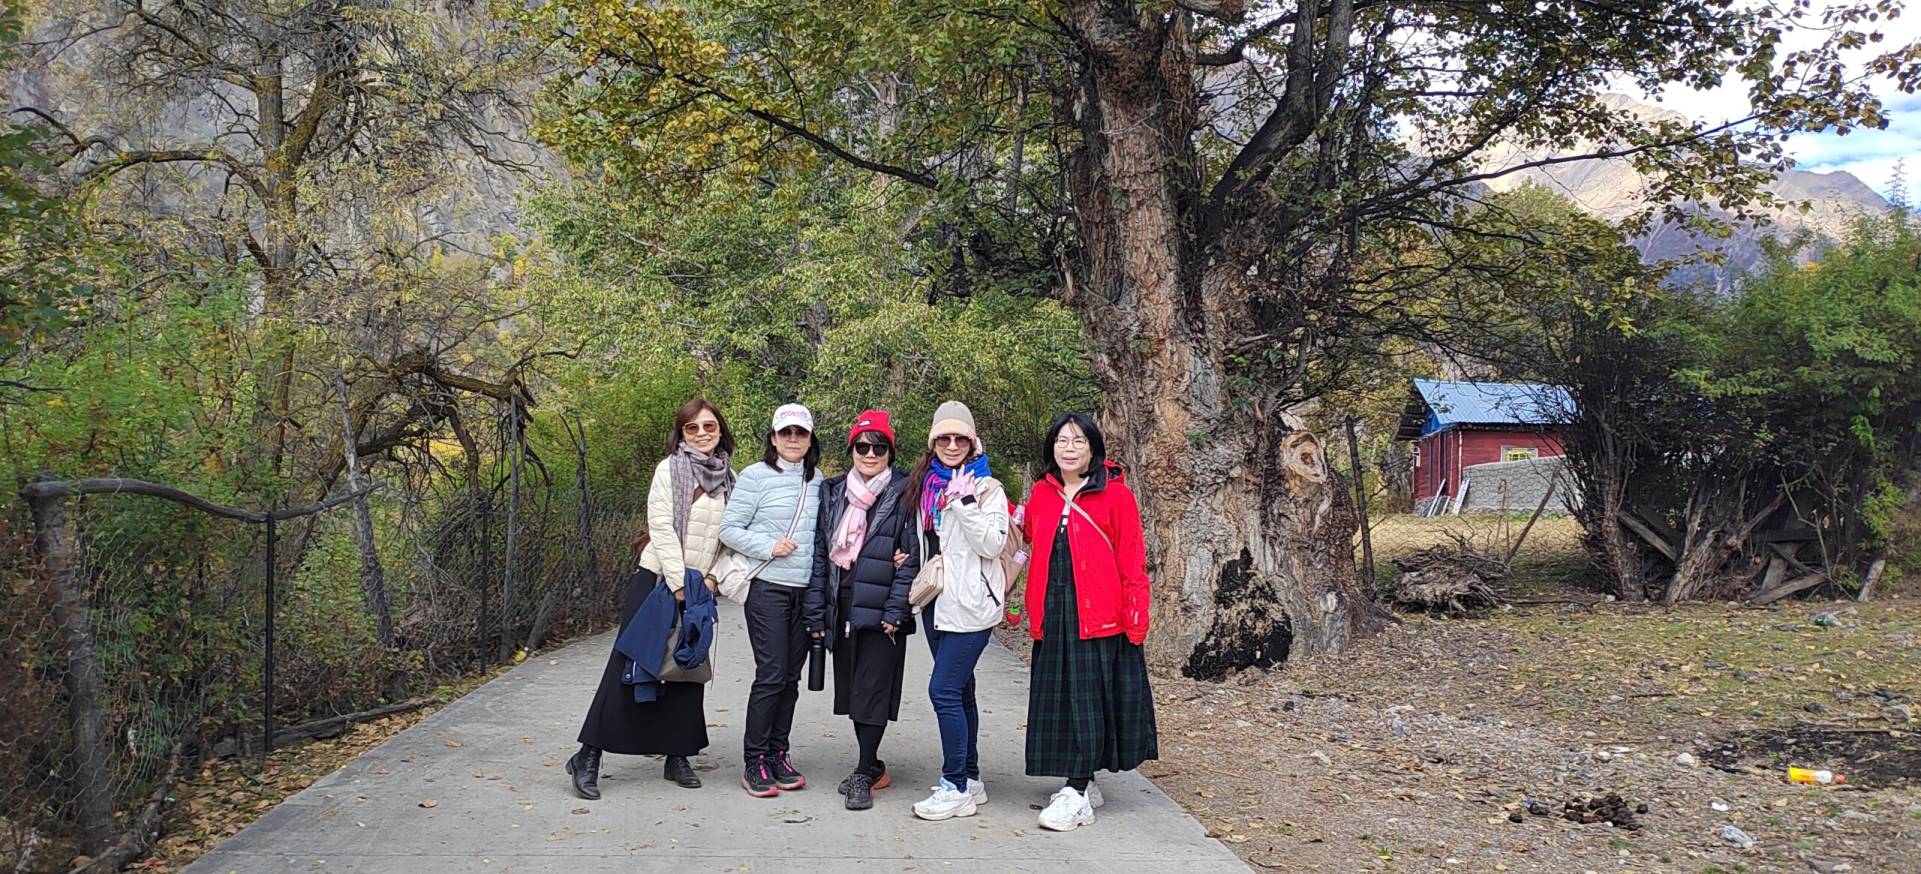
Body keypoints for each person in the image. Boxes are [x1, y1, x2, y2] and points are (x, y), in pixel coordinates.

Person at [569, 398, 737, 798]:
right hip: (658, 580)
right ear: (681, 434)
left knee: (686, 667)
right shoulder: (670, 469)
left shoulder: (732, 478)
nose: (701, 434)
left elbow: (733, 536)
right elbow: (660, 526)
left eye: (709, 426)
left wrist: (712, 579)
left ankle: (677, 754)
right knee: (630, 665)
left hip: (700, 586)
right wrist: (678, 583)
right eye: (692, 428)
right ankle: (587, 755)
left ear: (720, 430)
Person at [1019, 412, 1158, 832]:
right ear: (1052, 448)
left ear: (1093, 448)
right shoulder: (1042, 494)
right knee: (1061, 701)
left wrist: (1136, 614)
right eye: (1062, 440)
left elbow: (1132, 559)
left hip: (1098, 615)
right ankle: (1085, 781)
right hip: (1054, 613)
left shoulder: (1116, 496)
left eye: (1079, 441)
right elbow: (1025, 534)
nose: (1069, 448)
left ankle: (1076, 790)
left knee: (1087, 701)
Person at [803, 410, 920, 811]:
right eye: (863, 446)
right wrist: (816, 610)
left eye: (879, 447)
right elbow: (821, 554)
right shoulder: (834, 491)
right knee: (854, 690)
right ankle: (873, 765)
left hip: (883, 608)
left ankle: (862, 772)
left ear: (890, 452)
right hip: (843, 605)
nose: (870, 454)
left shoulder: (906, 492)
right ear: (852, 449)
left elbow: (912, 556)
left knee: (873, 690)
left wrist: (896, 609)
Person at [904, 400, 1009, 822]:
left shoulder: (988, 488)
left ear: (972, 442)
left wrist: (964, 502)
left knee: (943, 691)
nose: (951, 445)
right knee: (961, 690)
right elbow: (927, 540)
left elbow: (992, 545)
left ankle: (955, 786)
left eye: (959, 438)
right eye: (943, 438)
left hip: (972, 605)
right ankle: (971, 776)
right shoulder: (925, 484)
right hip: (936, 601)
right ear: (933, 443)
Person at [720, 403, 823, 797]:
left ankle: (779, 753)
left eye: (800, 432)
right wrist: (768, 546)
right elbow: (730, 529)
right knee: (772, 673)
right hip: (768, 588)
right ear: (773, 438)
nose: (793, 439)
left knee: (791, 678)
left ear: (810, 439)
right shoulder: (755, 476)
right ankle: (755, 759)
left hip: (805, 591)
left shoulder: (818, 481)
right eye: (786, 432)